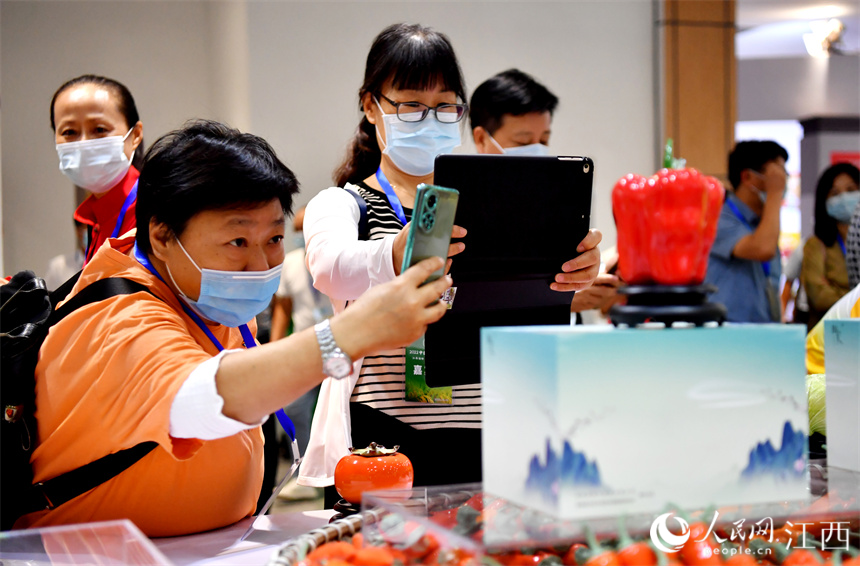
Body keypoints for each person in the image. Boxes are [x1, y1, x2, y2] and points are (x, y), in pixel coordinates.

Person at [17, 120, 453, 537]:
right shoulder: (116, 316)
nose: (261, 266)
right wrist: (353, 333)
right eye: (238, 242)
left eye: (275, 240)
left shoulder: (205, 292)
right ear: (164, 237)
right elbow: (201, 397)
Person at [297, 23, 602, 505]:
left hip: (493, 421)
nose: (430, 117)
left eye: (444, 105)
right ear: (370, 104)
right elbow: (329, 267)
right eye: (411, 103)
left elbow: (528, 294)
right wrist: (396, 252)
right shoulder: (345, 202)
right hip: (387, 434)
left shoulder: (498, 199)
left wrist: (575, 269)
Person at [469, 68, 620, 320]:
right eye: (523, 143)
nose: (537, 152)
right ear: (482, 138)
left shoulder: (560, 202)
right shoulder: (462, 211)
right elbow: (461, 300)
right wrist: (557, 300)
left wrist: (591, 271)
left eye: (544, 141)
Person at [269, 206, 330, 501]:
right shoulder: (290, 263)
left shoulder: (336, 258)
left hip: (339, 342)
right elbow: (282, 310)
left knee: (339, 406)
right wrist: (274, 348)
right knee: (294, 408)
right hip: (305, 344)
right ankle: (307, 471)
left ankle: (335, 471)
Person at [51, 75, 144, 266]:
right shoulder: (95, 219)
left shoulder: (154, 210)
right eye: (69, 132)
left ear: (135, 135)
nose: (84, 142)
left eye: (99, 129)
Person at [704, 140, 788, 323]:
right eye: (775, 174)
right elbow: (762, 249)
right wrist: (775, 194)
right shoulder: (718, 217)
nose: (782, 181)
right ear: (747, 177)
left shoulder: (763, 224)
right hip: (726, 332)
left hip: (760, 330)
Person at [801, 163, 860, 330]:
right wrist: (856, 301)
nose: (844, 198)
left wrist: (837, 290)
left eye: (851, 190)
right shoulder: (816, 245)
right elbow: (819, 296)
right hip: (831, 333)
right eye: (835, 193)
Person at [43, 220, 87, 290]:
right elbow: (47, 299)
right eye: (88, 228)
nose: (93, 233)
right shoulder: (58, 267)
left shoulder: (108, 265)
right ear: (78, 231)